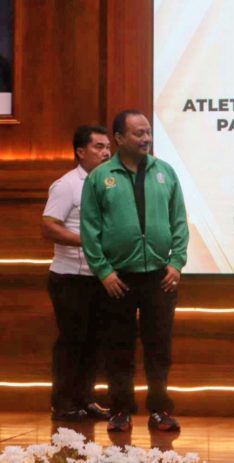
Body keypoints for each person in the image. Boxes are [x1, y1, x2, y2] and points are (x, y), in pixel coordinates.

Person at [80, 109, 189, 433]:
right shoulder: (100, 177)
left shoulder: (165, 172)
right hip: (117, 278)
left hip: (159, 276)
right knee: (118, 347)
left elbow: (179, 221)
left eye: (148, 132)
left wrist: (177, 262)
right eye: (138, 133)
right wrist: (103, 271)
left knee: (159, 347)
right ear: (119, 138)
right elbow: (89, 229)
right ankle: (120, 410)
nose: (146, 138)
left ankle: (160, 410)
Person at [42, 125, 112, 422]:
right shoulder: (67, 185)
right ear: (80, 152)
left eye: (108, 147)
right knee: (72, 341)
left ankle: (85, 399)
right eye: (98, 147)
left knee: (94, 341)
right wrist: (87, 241)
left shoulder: (109, 182)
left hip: (100, 276)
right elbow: (49, 226)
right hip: (70, 277)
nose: (106, 152)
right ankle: (63, 403)